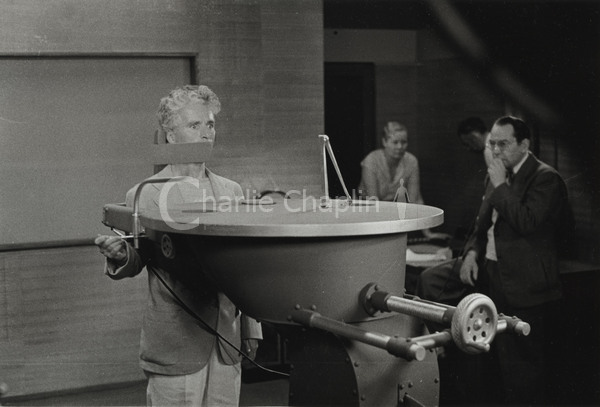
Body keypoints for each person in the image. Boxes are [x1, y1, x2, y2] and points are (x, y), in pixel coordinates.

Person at [94, 85, 262, 406]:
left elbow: (246, 266)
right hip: (176, 344)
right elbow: (136, 258)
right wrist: (121, 254)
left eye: (210, 125)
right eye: (194, 126)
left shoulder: (232, 191)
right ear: (170, 136)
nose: (205, 135)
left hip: (227, 343)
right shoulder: (147, 193)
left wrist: (251, 330)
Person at [425, 115, 569, 405]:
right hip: (489, 269)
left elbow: (527, 222)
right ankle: (438, 356)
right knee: (430, 281)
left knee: (520, 365)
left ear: (524, 144)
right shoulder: (496, 174)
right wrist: (471, 255)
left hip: (523, 280)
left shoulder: (545, 177)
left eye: (503, 143)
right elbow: (482, 226)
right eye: (492, 143)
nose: (496, 150)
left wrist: (500, 185)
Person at [358, 121, 450, 240]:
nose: (400, 147)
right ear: (384, 142)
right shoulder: (371, 161)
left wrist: (428, 233)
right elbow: (374, 202)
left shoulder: (411, 161)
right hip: (367, 216)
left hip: (395, 218)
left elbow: (414, 200)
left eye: (404, 142)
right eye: (395, 142)